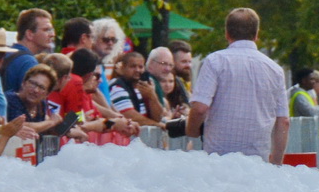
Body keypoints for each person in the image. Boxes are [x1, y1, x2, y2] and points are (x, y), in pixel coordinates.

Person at [186, 8, 289, 164]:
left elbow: (200, 108)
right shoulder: (275, 69)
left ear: (227, 33)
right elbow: (283, 121)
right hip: (257, 160)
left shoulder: (214, 61)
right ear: (256, 35)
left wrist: (191, 131)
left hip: (218, 158)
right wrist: (276, 163)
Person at [105, 49, 166, 127]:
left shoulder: (144, 88)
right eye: (133, 66)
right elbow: (130, 116)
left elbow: (158, 117)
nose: (137, 70)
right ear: (123, 68)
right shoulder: (117, 87)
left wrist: (152, 96)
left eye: (140, 67)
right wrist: (156, 125)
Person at [0, 8, 54, 94]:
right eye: (46, 30)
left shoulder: (7, 53)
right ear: (29, 34)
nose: (52, 34)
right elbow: (30, 101)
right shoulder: (28, 62)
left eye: (51, 30)